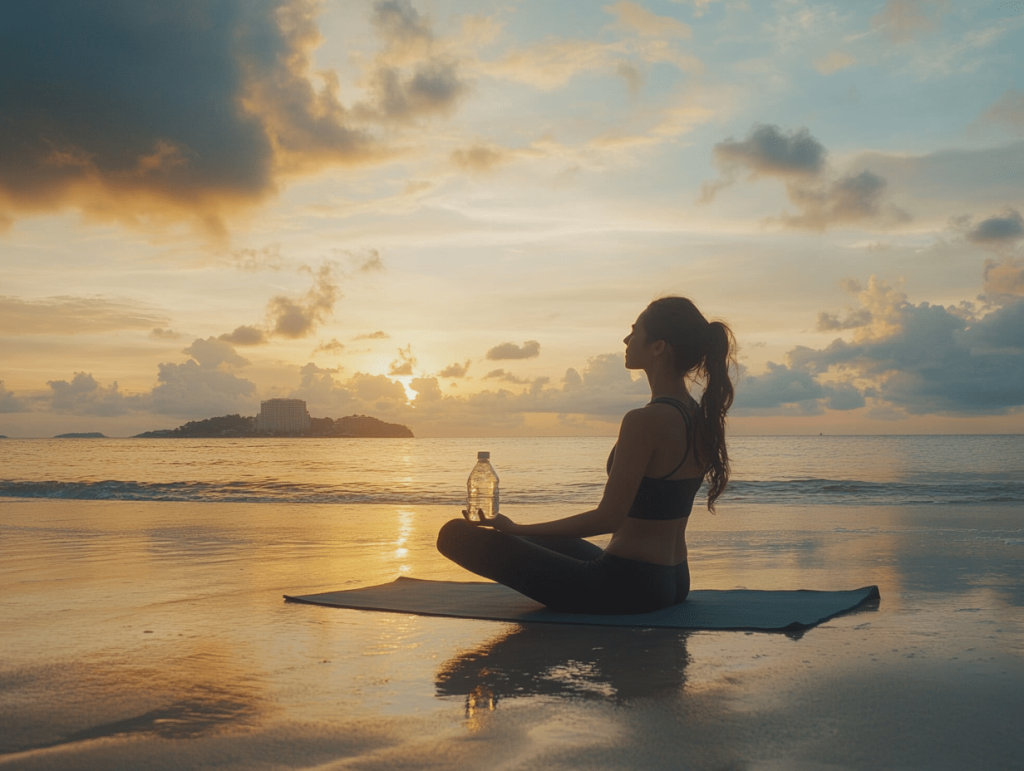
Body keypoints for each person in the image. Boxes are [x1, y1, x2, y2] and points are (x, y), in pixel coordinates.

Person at [436, 296, 735, 615]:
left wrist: (516, 529)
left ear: (658, 346)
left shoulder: (644, 420)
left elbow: (608, 518)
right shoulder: (698, 415)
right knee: (538, 540)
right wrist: (520, 530)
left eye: (635, 331)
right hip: (674, 578)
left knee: (454, 535)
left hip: (626, 584)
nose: (626, 339)